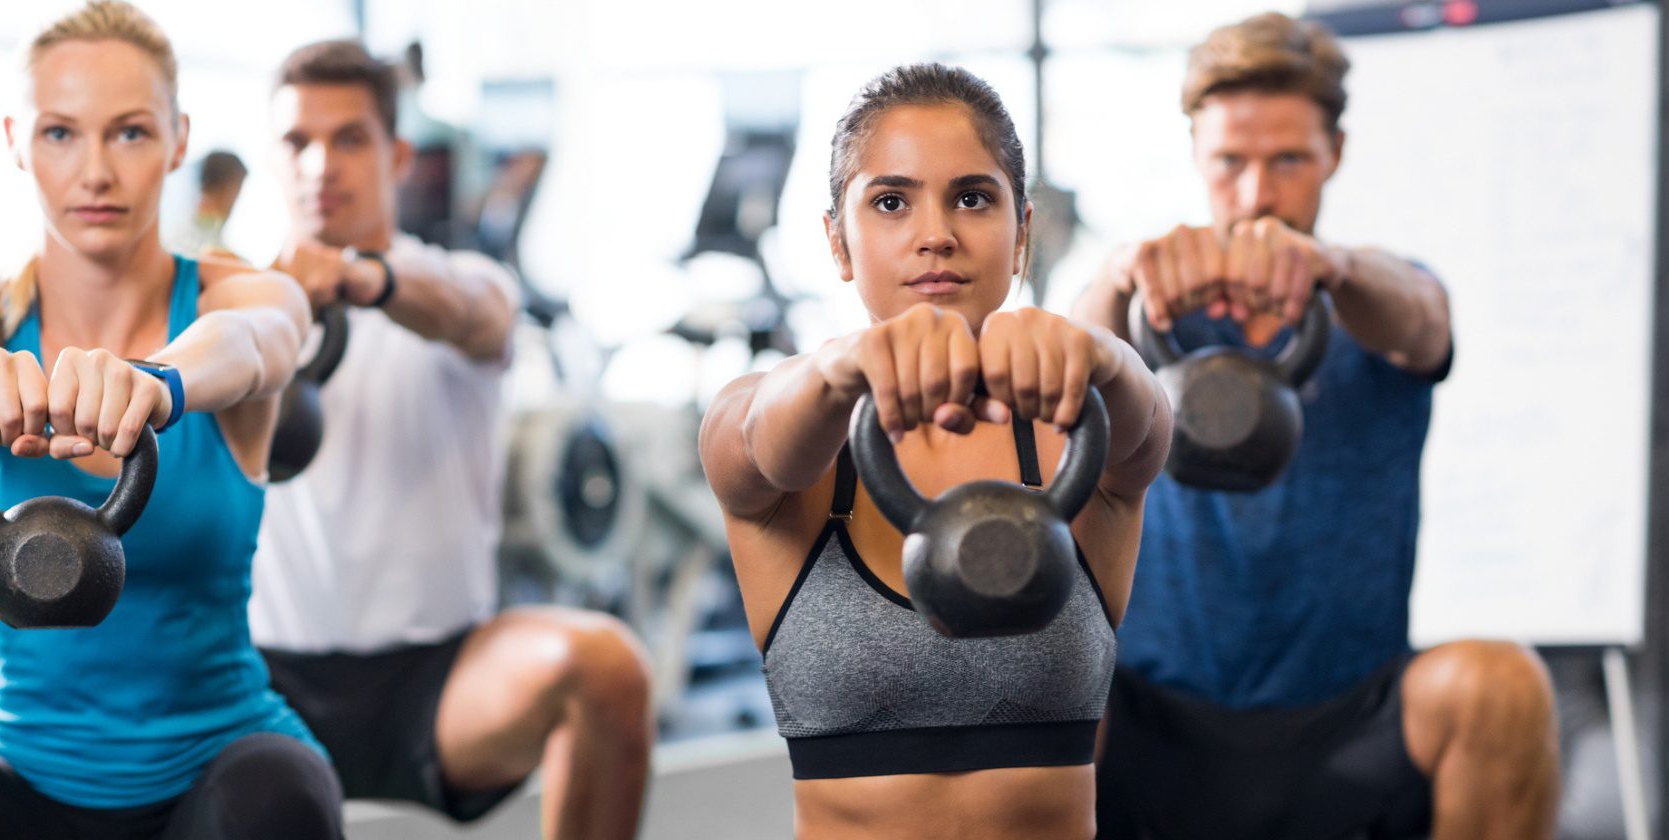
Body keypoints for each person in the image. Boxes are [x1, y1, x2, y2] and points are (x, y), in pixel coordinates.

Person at [0, 4, 340, 838]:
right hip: (24, 771)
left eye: (128, 133)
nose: (96, 172)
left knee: (278, 796)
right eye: (61, 134)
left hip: (222, 770)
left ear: (177, 138)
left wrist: (160, 383)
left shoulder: (237, 295)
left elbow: (265, 337)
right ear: (17, 140)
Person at [1071, 13, 1559, 839]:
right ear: (1196, 153)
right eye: (1231, 161)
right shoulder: (1139, 317)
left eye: (1288, 160)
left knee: (1503, 686)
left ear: (1335, 152)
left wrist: (1330, 268)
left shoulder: (1378, 302)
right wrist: (1120, 274)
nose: (1258, 194)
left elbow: (1424, 318)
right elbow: (1070, 363)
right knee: (1031, 677)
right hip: (1155, 734)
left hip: (1350, 736)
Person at [700, 63, 1173, 838]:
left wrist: (1101, 353)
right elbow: (751, 449)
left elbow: (1152, 428)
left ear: (1021, 233)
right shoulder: (782, 415)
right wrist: (844, 367)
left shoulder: (1076, 428)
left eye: (972, 198)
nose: (936, 235)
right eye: (891, 201)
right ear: (837, 241)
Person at [248, 40, 653, 839]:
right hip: (263, 685)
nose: (320, 164)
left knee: (607, 669)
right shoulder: (238, 308)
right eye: (298, 141)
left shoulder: (460, 282)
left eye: (349, 139)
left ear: (396, 154)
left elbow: (477, 314)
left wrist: (373, 278)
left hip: (438, 682)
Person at [165, 149, 246, 256]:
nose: (236, 200)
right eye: (238, 189)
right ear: (229, 190)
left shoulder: (177, 226)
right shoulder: (202, 237)